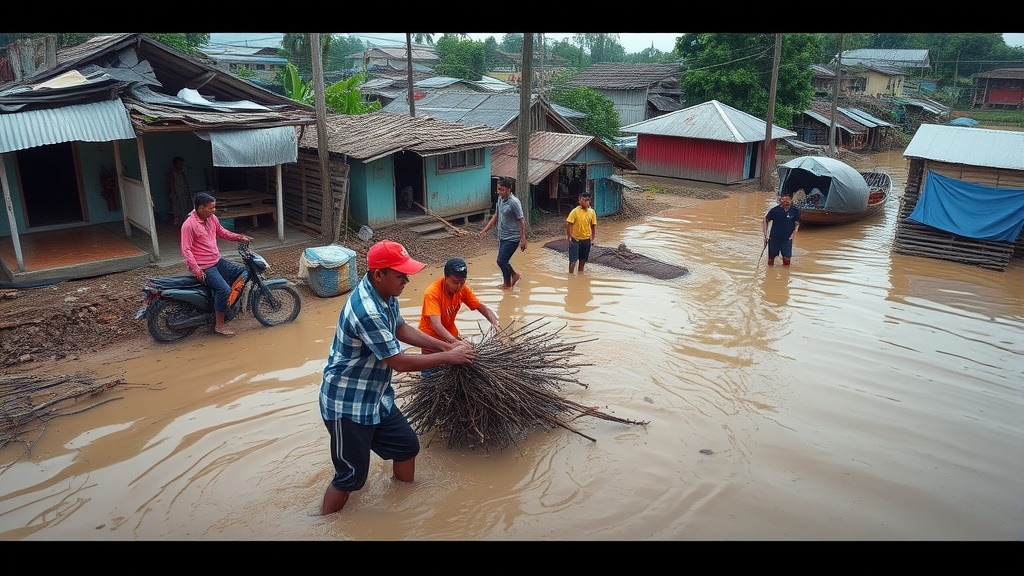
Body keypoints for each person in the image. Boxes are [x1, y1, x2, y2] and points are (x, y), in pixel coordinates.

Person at [318, 239, 476, 515]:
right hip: (348, 405)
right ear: (379, 274)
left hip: (375, 397)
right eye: (400, 274)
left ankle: (403, 505)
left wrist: (447, 345)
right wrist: (448, 357)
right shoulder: (367, 310)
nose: (406, 279)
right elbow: (398, 362)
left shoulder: (386, 296)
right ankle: (322, 526)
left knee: (406, 446)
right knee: (350, 478)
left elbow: (401, 328)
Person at [180, 192, 253, 336]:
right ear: (201, 208)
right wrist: (196, 269)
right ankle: (219, 325)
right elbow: (186, 249)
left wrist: (239, 237)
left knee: (242, 272)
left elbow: (222, 232)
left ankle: (224, 306)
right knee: (224, 290)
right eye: (211, 208)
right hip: (205, 266)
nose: (214, 210)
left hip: (217, 260)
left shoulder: (211, 218)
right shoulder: (189, 225)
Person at [418, 257, 501, 351]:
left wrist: (495, 325)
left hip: (450, 334)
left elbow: (481, 308)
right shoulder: (432, 293)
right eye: (455, 282)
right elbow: (436, 325)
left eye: (462, 282)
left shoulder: (462, 289)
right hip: (431, 339)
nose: (458, 287)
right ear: (446, 278)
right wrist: (455, 342)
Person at [479, 176, 527, 290]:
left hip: (513, 237)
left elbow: (521, 220)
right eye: (498, 189)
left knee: (501, 260)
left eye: (502, 189)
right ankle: (511, 279)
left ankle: (509, 282)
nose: (499, 192)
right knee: (503, 260)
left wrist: (523, 238)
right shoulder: (500, 199)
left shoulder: (514, 203)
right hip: (502, 236)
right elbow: (496, 215)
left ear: (509, 189)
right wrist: (485, 229)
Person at [763, 190, 800, 267]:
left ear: (791, 200)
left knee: (787, 260)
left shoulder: (795, 211)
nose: (785, 201)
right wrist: (765, 236)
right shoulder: (774, 210)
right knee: (770, 261)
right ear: (780, 200)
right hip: (774, 238)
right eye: (783, 199)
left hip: (787, 239)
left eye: (787, 199)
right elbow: (765, 220)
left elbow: (797, 223)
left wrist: (794, 235)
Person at [565, 192, 597, 274]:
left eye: (587, 200)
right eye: (584, 200)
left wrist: (592, 238)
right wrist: (569, 237)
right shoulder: (575, 212)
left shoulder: (592, 212)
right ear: (579, 201)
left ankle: (580, 273)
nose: (586, 202)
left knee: (583, 261)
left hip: (586, 240)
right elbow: (569, 224)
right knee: (573, 261)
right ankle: (571, 276)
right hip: (575, 240)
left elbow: (593, 226)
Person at [167, 156, 192, 226]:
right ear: (175, 164)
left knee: (186, 207)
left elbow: (185, 183)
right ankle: (179, 222)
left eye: (182, 164)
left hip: (184, 193)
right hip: (177, 194)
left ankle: (185, 222)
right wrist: (171, 193)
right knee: (178, 209)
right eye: (180, 164)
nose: (181, 166)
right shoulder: (172, 173)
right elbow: (171, 184)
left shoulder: (182, 173)